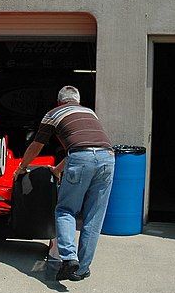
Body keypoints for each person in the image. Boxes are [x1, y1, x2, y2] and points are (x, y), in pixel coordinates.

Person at [15, 86, 114, 282]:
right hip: (108, 158)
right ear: (78, 100)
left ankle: (69, 258)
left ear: (59, 102)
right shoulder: (89, 112)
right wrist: (57, 170)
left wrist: (22, 166)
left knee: (65, 210)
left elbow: (37, 146)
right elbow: (84, 147)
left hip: (82, 158)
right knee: (94, 216)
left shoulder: (54, 113)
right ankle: (82, 269)